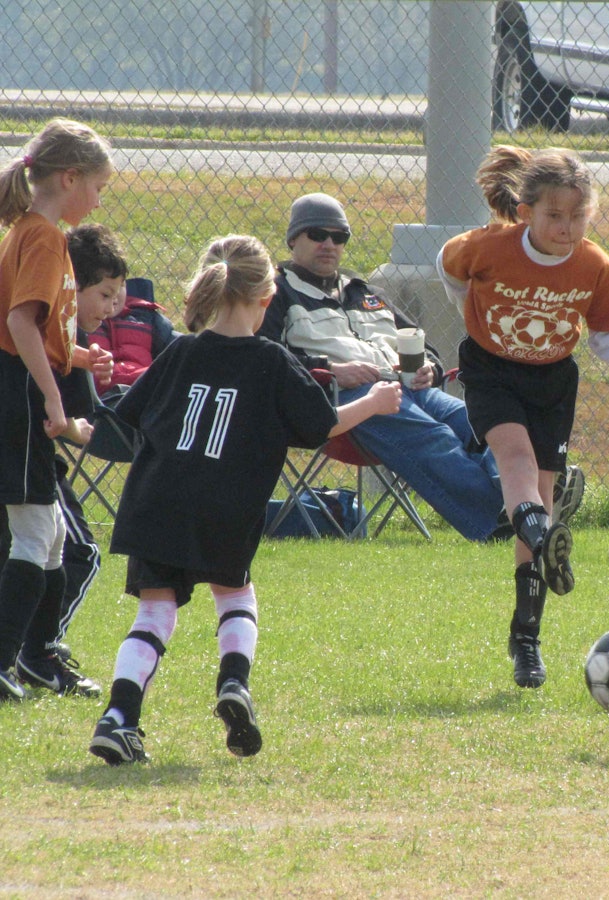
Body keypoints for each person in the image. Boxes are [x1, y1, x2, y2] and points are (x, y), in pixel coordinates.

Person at [88, 234, 404, 765]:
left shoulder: (179, 351)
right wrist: (373, 402)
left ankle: (119, 717)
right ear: (267, 297)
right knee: (234, 594)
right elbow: (320, 425)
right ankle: (233, 683)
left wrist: (73, 425)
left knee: (154, 612)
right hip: (226, 503)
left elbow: (124, 422)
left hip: (157, 499)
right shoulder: (271, 360)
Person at [437, 146, 609, 690]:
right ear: (525, 212)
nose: (566, 228)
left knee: (539, 493)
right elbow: (451, 269)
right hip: (491, 371)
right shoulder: (487, 248)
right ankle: (546, 538)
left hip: (553, 380)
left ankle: (527, 640)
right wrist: (475, 313)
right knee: (515, 461)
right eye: (554, 216)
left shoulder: (594, 267)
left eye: (578, 216)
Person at [258, 192, 511, 543]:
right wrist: (328, 370)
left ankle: (521, 505)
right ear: (292, 240)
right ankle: (501, 523)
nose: (329, 244)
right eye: (317, 234)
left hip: (409, 386)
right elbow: (262, 359)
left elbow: (423, 346)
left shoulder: (364, 292)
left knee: (485, 422)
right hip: (342, 401)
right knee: (434, 437)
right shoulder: (278, 293)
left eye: (339, 237)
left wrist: (430, 369)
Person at [0, 118, 115, 702]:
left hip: (23, 384)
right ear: (69, 178)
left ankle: (39, 656)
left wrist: (78, 354)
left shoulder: (37, 230)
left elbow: (41, 329)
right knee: (36, 533)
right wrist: (50, 394)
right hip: (17, 391)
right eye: (96, 187)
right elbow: (19, 322)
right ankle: (7, 660)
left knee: (47, 540)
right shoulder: (43, 235)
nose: (97, 200)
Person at [89, 272, 178, 391]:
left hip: (148, 394)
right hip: (107, 399)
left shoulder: (144, 316)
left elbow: (178, 351)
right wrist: (155, 375)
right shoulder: (85, 321)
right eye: (106, 291)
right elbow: (97, 379)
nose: (116, 294)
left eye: (121, 285)